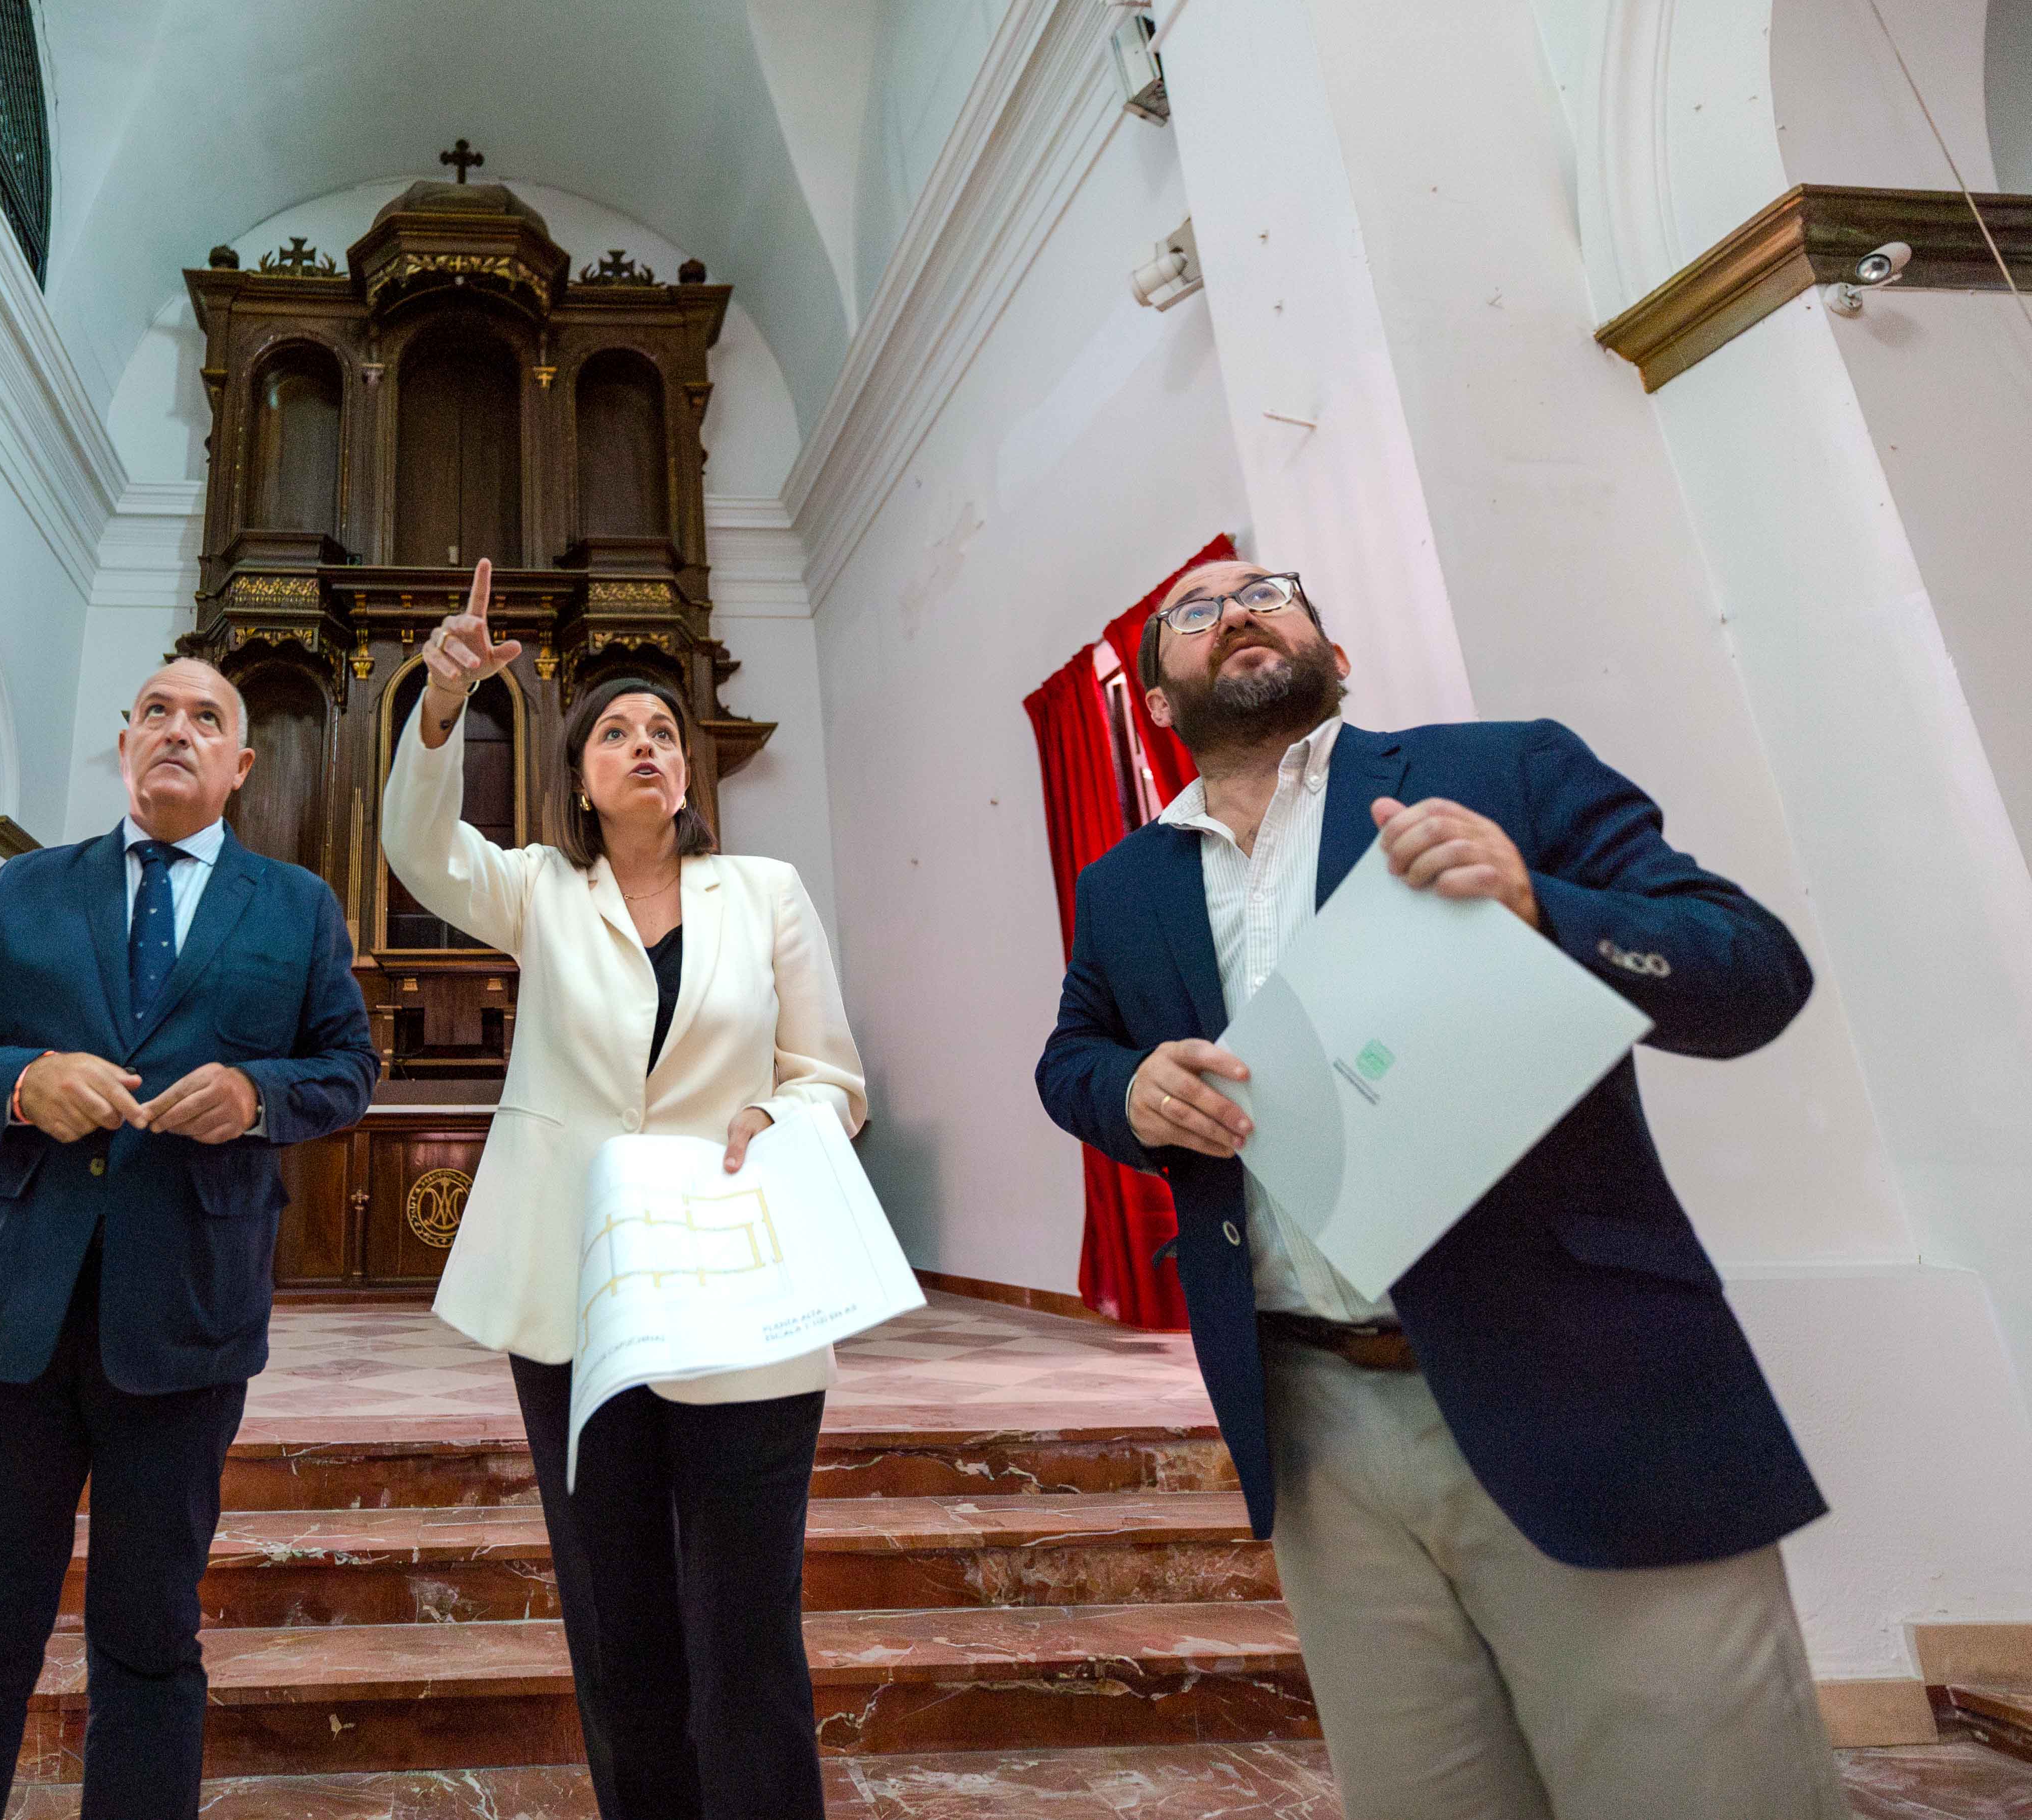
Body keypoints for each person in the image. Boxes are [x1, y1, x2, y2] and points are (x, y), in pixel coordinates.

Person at [1037, 556, 1843, 1817]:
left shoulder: (1504, 770)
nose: (1236, 609)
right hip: (1312, 1425)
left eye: (1272, 591)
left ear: (1335, 656)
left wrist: (1543, 908)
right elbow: (1073, 1055)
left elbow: (1753, 971)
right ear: (1152, 704)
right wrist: (1127, 1092)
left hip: (1578, 1385)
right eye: (1192, 613)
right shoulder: (1125, 884)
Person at [379, 559, 868, 1820]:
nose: (642, 745)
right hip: (580, 1297)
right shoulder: (542, 891)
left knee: (747, 1625)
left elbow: (832, 1078)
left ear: (689, 775)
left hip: (741, 1288)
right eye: (614, 732)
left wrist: (779, 1109)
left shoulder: (765, 896)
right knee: (620, 1616)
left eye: (662, 732)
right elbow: (420, 848)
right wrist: (440, 706)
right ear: (581, 777)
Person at [0, 657, 377, 1820]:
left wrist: (258, 1095)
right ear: (124, 745)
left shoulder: (296, 905)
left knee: (151, 1640)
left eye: (208, 719)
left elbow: (349, 1072)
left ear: (241, 765)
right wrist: (22, 1081)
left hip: (187, 1314)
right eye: (157, 711)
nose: (178, 730)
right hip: (13, 1310)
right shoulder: (29, 892)